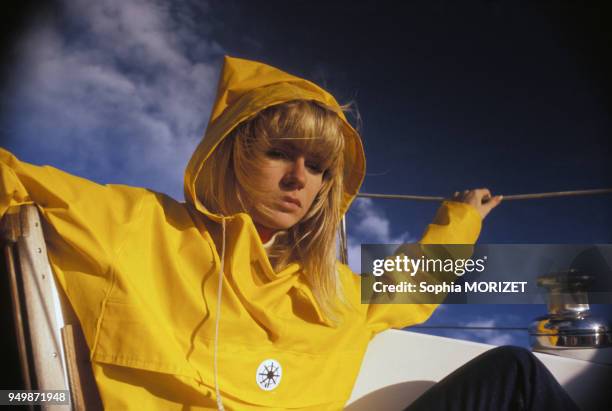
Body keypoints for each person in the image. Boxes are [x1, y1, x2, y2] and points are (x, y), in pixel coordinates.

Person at [0, 56, 576, 410]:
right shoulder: (136, 224)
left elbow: (419, 279)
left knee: (514, 374)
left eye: (321, 168)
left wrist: (464, 216)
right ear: (231, 154)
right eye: (280, 153)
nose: (301, 178)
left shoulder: (336, 294)